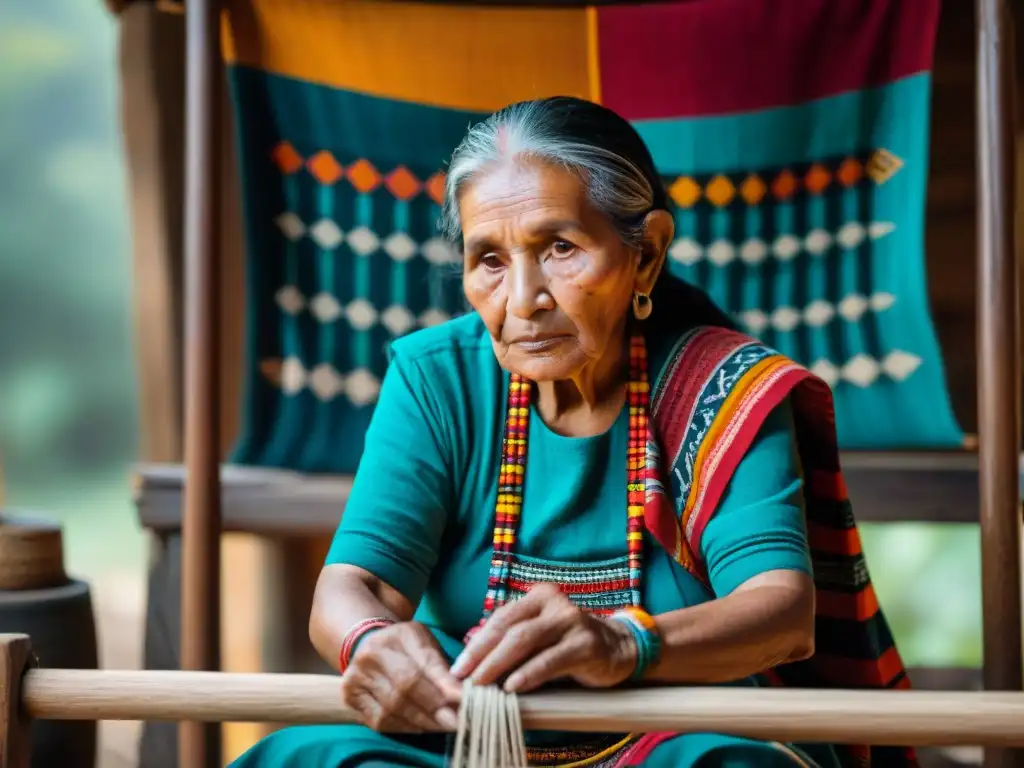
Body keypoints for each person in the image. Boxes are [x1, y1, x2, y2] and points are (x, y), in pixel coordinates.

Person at [232, 97, 913, 768]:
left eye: (559, 248)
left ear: (645, 254)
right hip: (468, 742)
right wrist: (371, 643)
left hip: (672, 740)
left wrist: (622, 646)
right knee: (301, 756)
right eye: (490, 260)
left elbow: (781, 612)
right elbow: (360, 589)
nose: (523, 298)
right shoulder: (436, 380)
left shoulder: (724, 388)